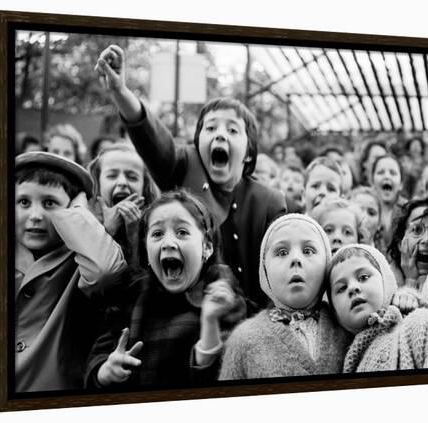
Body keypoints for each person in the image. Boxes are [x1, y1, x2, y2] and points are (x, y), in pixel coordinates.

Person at [94, 44, 286, 312]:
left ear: (249, 153)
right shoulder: (184, 165)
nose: (220, 134)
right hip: (184, 315)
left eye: (232, 129)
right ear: (197, 143)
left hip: (250, 320)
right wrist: (120, 92)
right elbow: (153, 138)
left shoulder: (269, 202)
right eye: (210, 127)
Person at [84, 190, 246, 389]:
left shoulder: (223, 296)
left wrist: (210, 322)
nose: (168, 243)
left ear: (207, 248)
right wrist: (105, 371)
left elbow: (228, 378)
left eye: (182, 232)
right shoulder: (132, 295)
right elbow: (96, 361)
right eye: (158, 234)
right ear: (146, 250)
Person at [14, 151, 125, 392]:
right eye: (24, 202)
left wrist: (79, 213)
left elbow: (104, 270)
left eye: (49, 203)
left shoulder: (79, 259)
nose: (35, 216)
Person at [218, 214, 351, 380]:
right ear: (264, 270)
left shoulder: (347, 323)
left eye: (308, 251)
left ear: (326, 264)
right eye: (281, 252)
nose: (295, 259)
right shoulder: (243, 339)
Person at [327, 244, 428, 372]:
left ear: (386, 282)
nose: (352, 288)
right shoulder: (338, 361)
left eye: (363, 277)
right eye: (342, 288)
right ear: (334, 311)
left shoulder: (417, 323)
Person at [86, 143, 160, 265]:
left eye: (132, 177)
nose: (122, 182)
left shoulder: (155, 225)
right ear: (97, 183)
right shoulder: (84, 222)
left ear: (145, 186)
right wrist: (107, 231)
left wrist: (134, 236)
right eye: (112, 176)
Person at [388, 198, 428, 298]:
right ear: (400, 242)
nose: (427, 240)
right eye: (417, 230)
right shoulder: (384, 282)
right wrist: (411, 281)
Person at [370, 154, 406, 254]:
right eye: (381, 172)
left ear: (401, 184)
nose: (386, 176)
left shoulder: (409, 211)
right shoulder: (363, 210)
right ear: (372, 181)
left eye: (393, 173)